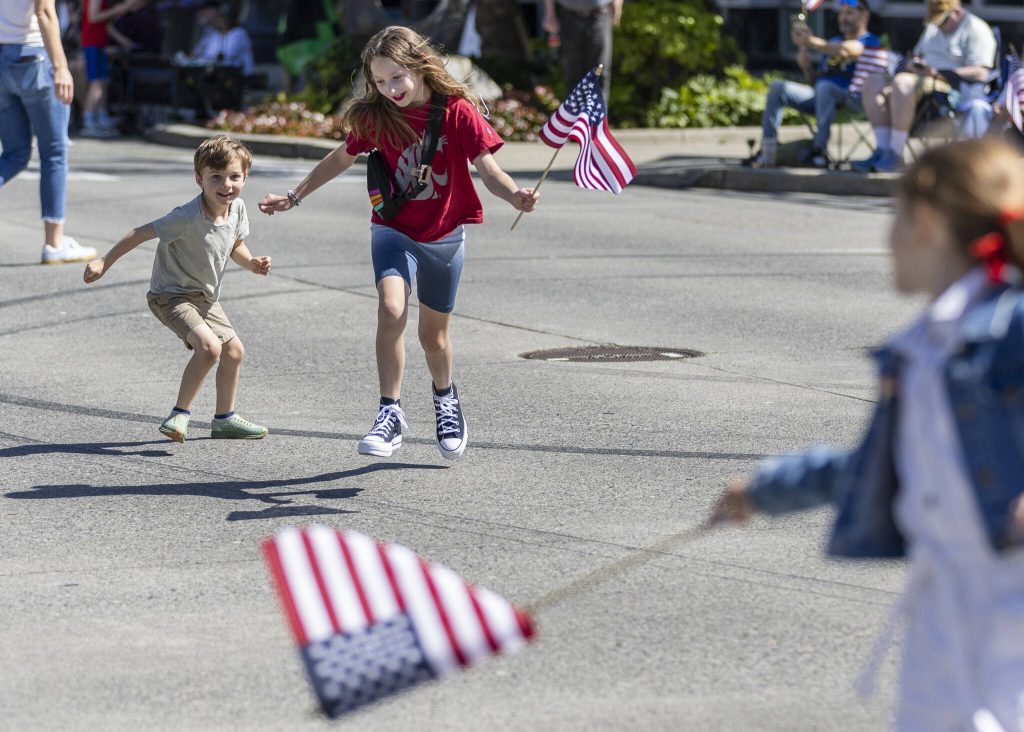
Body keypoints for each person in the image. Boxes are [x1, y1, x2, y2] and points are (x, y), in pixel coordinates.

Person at [710, 138, 1024, 731]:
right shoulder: (923, 350)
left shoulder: (1009, 328)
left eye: (895, 218)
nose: (889, 241)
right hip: (943, 621)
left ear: (927, 224)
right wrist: (764, 490)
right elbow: (879, 465)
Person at [258, 25, 539, 461]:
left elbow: (488, 169)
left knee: (434, 339)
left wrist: (515, 195)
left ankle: (446, 399)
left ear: (419, 66)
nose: (390, 89)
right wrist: (295, 196)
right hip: (393, 228)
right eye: (380, 82)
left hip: (444, 235)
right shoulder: (377, 115)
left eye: (397, 78)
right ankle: (389, 413)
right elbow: (341, 156)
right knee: (391, 309)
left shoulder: (458, 112)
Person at [83, 136, 271, 443]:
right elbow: (140, 233)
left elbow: (236, 243)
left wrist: (251, 263)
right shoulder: (185, 217)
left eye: (235, 177)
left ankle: (224, 419)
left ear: (245, 178)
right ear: (199, 179)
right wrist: (104, 261)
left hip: (204, 298)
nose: (227, 185)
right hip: (170, 295)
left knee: (234, 351)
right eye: (216, 178)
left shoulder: (236, 209)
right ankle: (179, 414)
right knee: (210, 348)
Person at [1, 0, 98, 265]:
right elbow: (43, 11)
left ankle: (55, 242)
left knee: (14, 154)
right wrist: (61, 67)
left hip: (2, 59)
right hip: (33, 56)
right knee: (54, 153)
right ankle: (54, 243)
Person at [852, 0, 996, 173]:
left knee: (902, 82)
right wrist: (915, 64)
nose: (938, 25)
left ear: (957, 12)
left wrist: (937, 72)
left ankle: (896, 154)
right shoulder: (933, 28)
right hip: (918, 82)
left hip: (950, 90)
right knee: (873, 81)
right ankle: (883, 149)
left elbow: (981, 72)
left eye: (942, 21)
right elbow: (918, 53)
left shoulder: (976, 29)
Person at [747, 0, 878, 169]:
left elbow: (846, 49)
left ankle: (819, 151)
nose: (844, 18)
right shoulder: (834, 41)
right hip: (822, 97)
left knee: (826, 88)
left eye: (850, 13)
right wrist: (807, 66)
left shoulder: (870, 41)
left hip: (852, 100)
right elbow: (815, 81)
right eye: (842, 13)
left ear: (864, 15)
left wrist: (810, 41)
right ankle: (768, 152)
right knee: (778, 87)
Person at [542, 0, 622, 101]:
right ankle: (574, 115)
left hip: (600, 14)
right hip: (568, 15)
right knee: (572, 74)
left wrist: (618, 4)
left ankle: (597, 115)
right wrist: (550, 13)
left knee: (600, 72)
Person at [79, 0, 138, 137]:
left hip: (98, 42)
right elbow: (93, 17)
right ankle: (88, 120)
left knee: (103, 81)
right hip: (92, 42)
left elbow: (104, 24)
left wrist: (123, 41)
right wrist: (117, 9)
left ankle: (101, 117)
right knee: (96, 82)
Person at [190, 1, 253, 75]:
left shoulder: (239, 33)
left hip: (240, 75)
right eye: (218, 19)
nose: (218, 22)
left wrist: (208, 58)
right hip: (221, 75)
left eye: (222, 19)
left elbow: (226, 55)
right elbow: (207, 53)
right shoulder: (215, 34)